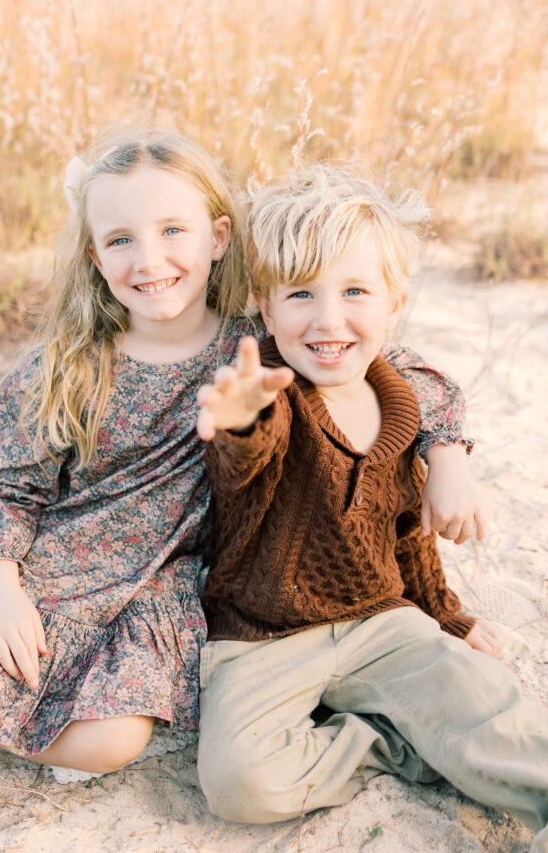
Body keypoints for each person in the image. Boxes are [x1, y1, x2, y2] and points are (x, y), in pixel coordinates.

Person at [0, 131, 478, 775]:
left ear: (218, 237)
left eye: (174, 230)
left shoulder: (260, 342)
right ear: (93, 255)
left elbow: (402, 370)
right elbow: (5, 488)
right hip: (61, 562)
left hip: (164, 581)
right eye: (120, 240)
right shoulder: (69, 365)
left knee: (107, 746)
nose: (150, 261)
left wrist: (446, 453)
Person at [194, 166, 547, 850]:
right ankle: (387, 744)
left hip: (381, 619)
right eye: (300, 294)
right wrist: (239, 422)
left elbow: (408, 535)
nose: (327, 319)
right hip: (262, 634)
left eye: (354, 291)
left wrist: (446, 616)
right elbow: (242, 465)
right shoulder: (269, 394)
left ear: (393, 304)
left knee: (486, 708)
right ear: (266, 308)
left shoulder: (402, 404)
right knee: (240, 783)